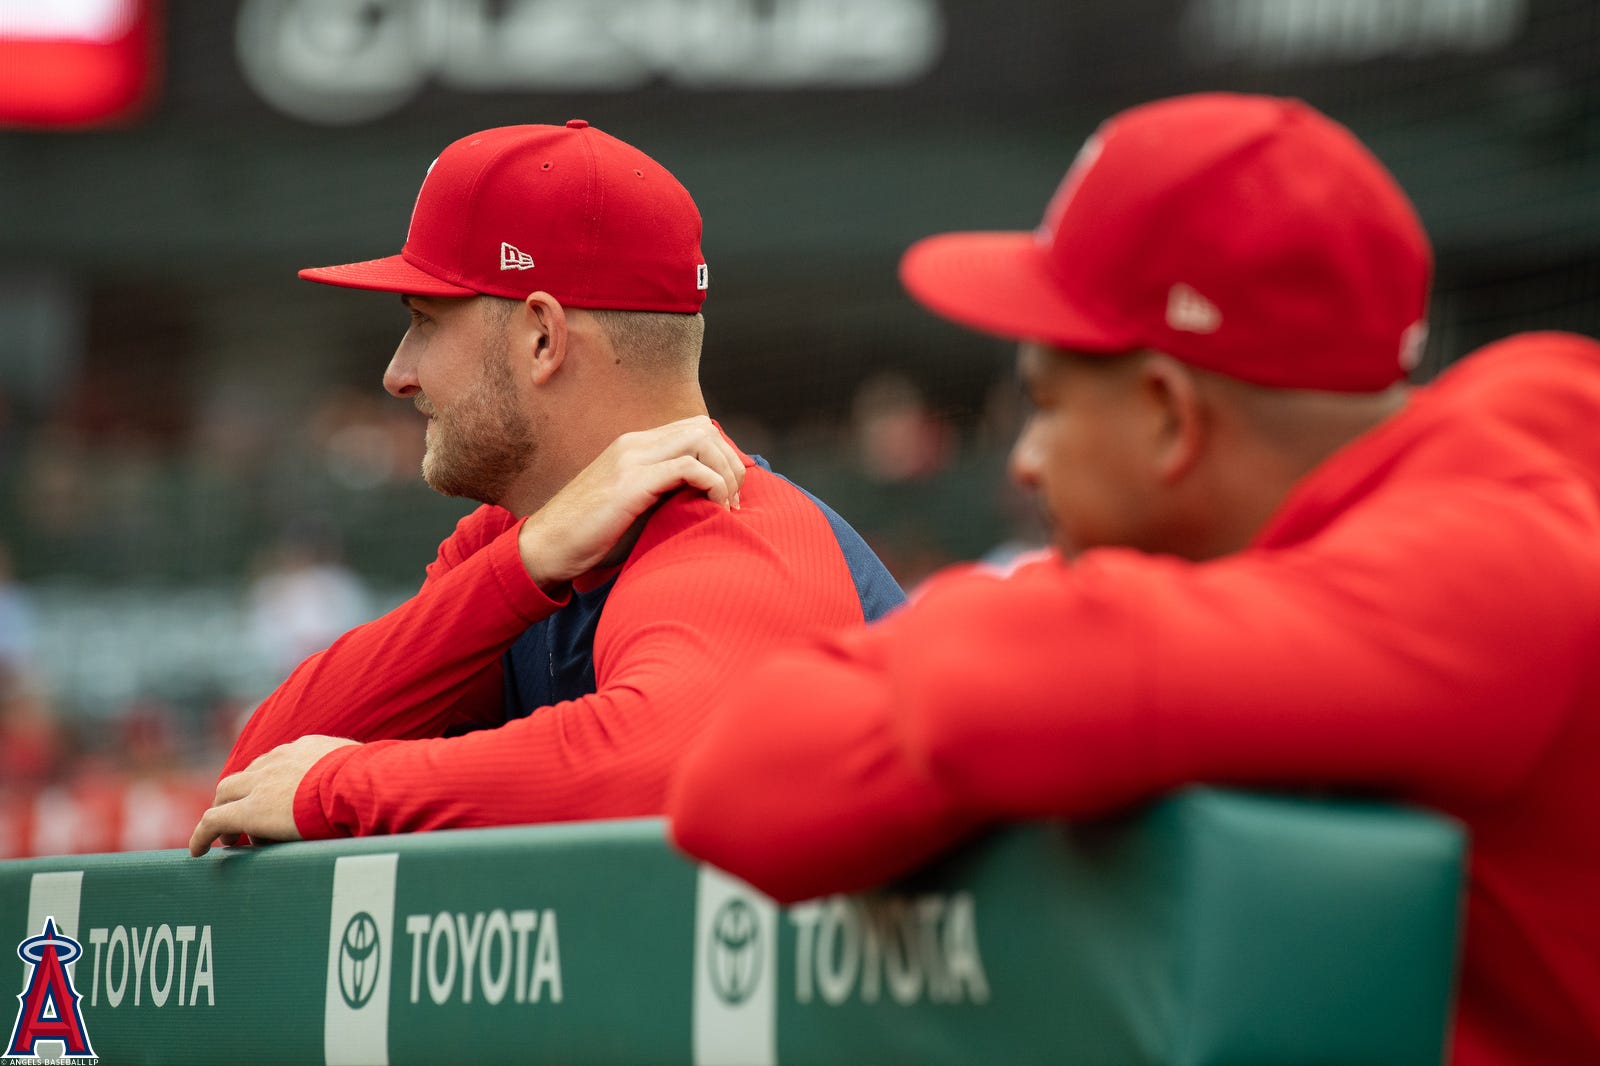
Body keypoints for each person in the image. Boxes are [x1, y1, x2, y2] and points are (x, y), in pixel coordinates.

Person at [666, 93, 1600, 1066]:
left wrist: (1000, 635)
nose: (1023, 461)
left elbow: (974, 701)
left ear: (1166, 415)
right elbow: (740, 787)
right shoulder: (1371, 530)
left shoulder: (1498, 557)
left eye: (1046, 405)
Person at [189, 120, 903, 855]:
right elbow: (250, 789)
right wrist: (520, 566)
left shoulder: (731, 527)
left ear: (543, 338)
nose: (397, 374)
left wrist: (340, 788)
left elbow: (659, 773)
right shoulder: (519, 540)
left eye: (425, 323)